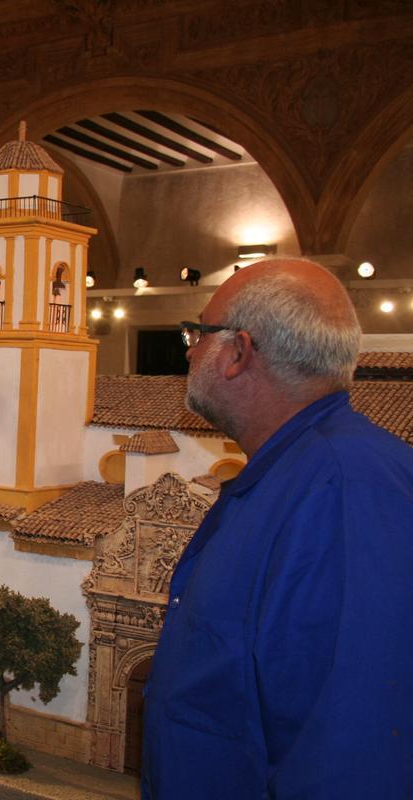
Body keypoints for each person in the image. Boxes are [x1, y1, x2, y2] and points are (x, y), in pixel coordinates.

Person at [142, 259, 413, 799]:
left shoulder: (341, 493)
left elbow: (344, 748)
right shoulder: (293, 477)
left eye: (199, 333)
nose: (190, 350)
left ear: (239, 352)